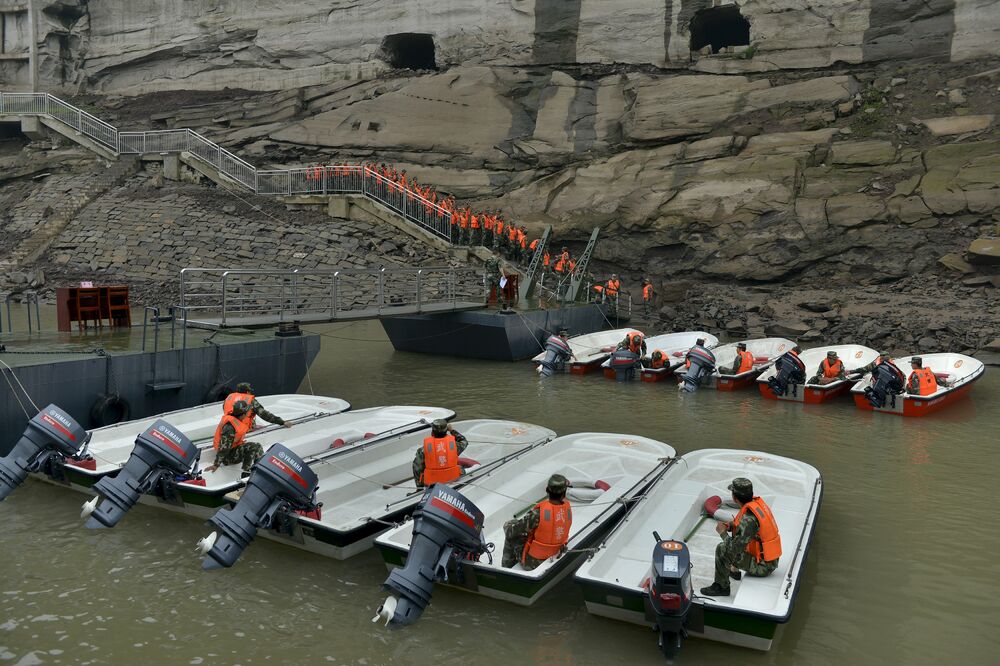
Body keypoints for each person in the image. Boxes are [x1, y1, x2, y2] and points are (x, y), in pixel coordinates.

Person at [700, 477, 781, 597]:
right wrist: (730, 525)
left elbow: (733, 549)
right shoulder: (756, 505)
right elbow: (743, 527)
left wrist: (722, 532)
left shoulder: (748, 519)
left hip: (763, 567)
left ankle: (721, 587)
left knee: (722, 549)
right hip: (770, 560)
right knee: (738, 539)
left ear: (734, 497)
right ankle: (734, 571)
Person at [502, 474, 572, 571]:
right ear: (564, 493)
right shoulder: (567, 510)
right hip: (556, 553)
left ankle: (507, 569)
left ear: (547, 491)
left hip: (533, 563)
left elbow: (511, 532)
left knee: (510, 529)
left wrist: (507, 526)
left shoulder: (537, 514)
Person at [206, 401, 264, 474]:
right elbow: (224, 447)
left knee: (258, 446)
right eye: (247, 412)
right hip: (227, 456)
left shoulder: (236, 419)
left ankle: (259, 469)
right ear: (243, 414)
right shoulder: (230, 427)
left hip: (233, 449)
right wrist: (216, 464)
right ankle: (246, 473)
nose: (248, 413)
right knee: (253, 447)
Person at [412, 419, 468, 488]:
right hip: (453, 479)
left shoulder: (423, 450)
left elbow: (416, 467)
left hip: (432, 483)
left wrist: (419, 487)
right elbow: (464, 441)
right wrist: (452, 430)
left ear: (432, 432)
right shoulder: (454, 445)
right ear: (446, 431)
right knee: (460, 468)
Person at [223, 382, 292, 430]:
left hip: (228, 427)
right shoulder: (250, 401)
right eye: (250, 391)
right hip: (242, 430)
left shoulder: (229, 398)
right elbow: (264, 415)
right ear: (247, 392)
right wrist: (282, 422)